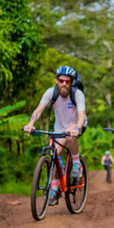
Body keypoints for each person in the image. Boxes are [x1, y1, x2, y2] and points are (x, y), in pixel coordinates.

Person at [24, 66, 87, 205]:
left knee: (70, 136)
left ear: (72, 82)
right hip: (59, 128)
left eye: (67, 81)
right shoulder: (50, 92)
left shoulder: (77, 94)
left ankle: (76, 164)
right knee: (53, 155)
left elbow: (82, 115)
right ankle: (54, 188)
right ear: (56, 80)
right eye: (61, 81)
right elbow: (38, 110)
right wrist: (30, 123)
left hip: (75, 125)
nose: (64, 84)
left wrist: (77, 127)